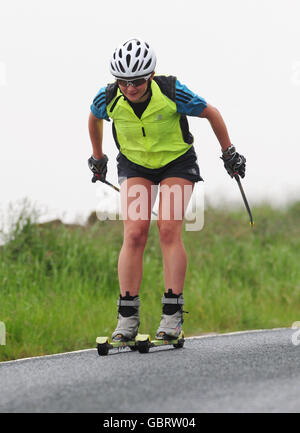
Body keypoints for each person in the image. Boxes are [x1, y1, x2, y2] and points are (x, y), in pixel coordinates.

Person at [88, 38, 246, 342]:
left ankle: (172, 316)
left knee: (168, 229)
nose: (130, 88)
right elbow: (94, 118)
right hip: (135, 165)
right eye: (123, 81)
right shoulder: (108, 97)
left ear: (150, 75)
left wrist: (229, 153)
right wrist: (98, 156)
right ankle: (127, 320)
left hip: (176, 162)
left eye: (137, 81)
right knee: (134, 233)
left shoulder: (172, 91)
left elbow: (211, 112)